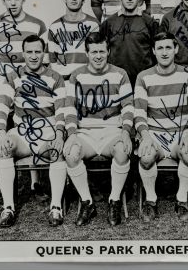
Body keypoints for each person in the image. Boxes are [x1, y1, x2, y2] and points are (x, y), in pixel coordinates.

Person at [0, 0, 48, 203]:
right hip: (3, 81)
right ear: (3, 0)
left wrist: (24, 75)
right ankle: (7, 187)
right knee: (5, 130)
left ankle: (35, 183)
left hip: (30, 81)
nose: (12, 3)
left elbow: (44, 57)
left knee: (29, 125)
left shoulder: (37, 24)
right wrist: (8, 74)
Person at [0, 35, 66, 228]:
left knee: (56, 150)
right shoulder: (13, 76)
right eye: (29, 52)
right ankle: (8, 207)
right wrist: (2, 133)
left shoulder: (55, 77)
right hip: (23, 132)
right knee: (4, 148)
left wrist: (59, 135)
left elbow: (61, 111)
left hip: (48, 131)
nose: (34, 56)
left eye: (38, 52)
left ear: (44, 53)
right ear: (23, 53)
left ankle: (56, 207)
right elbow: (2, 106)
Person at [63, 32, 134, 227]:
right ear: (87, 53)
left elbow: (128, 107)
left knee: (122, 150)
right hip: (85, 132)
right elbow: (69, 107)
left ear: (108, 51)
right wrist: (71, 135)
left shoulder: (120, 74)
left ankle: (114, 200)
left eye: (102, 51)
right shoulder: (77, 75)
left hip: (113, 130)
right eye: (93, 52)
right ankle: (87, 202)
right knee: (70, 153)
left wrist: (126, 132)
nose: (98, 56)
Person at [134, 32, 188, 222]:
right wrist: (145, 137)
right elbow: (139, 114)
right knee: (146, 157)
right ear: (154, 51)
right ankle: (151, 200)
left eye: (168, 48)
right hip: (154, 135)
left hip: (179, 135)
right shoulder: (143, 77)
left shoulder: (187, 75)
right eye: (160, 48)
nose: (164, 52)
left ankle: (181, 200)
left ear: (176, 49)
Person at [100, 0, 159, 87]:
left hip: (144, 82)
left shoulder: (150, 23)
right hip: (116, 82)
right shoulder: (108, 24)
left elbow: (157, 55)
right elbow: (102, 55)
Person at [48, 0, 99, 81]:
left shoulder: (94, 25)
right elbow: (52, 60)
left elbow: (98, 55)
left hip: (88, 81)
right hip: (64, 82)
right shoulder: (54, 27)